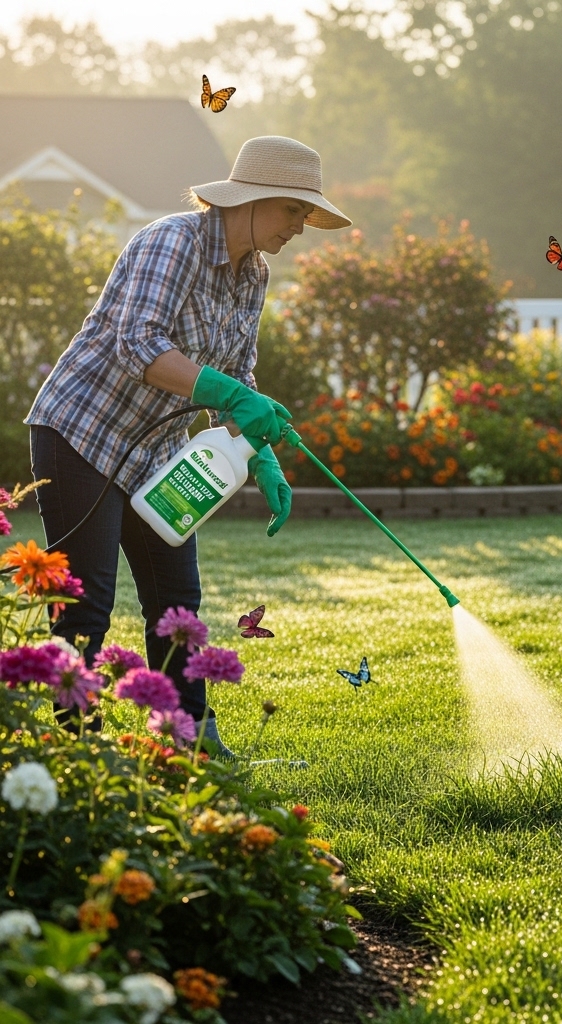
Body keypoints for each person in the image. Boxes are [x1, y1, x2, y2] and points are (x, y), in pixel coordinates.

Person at [24, 136, 351, 753]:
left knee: (177, 602)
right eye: (294, 211)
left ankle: (188, 740)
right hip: (81, 433)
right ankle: (79, 749)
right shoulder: (168, 242)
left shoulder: (254, 273)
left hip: (153, 451)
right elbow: (138, 344)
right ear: (256, 199)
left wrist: (265, 458)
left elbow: (240, 380)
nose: (301, 228)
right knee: (88, 601)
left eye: (307, 216)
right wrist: (231, 396)